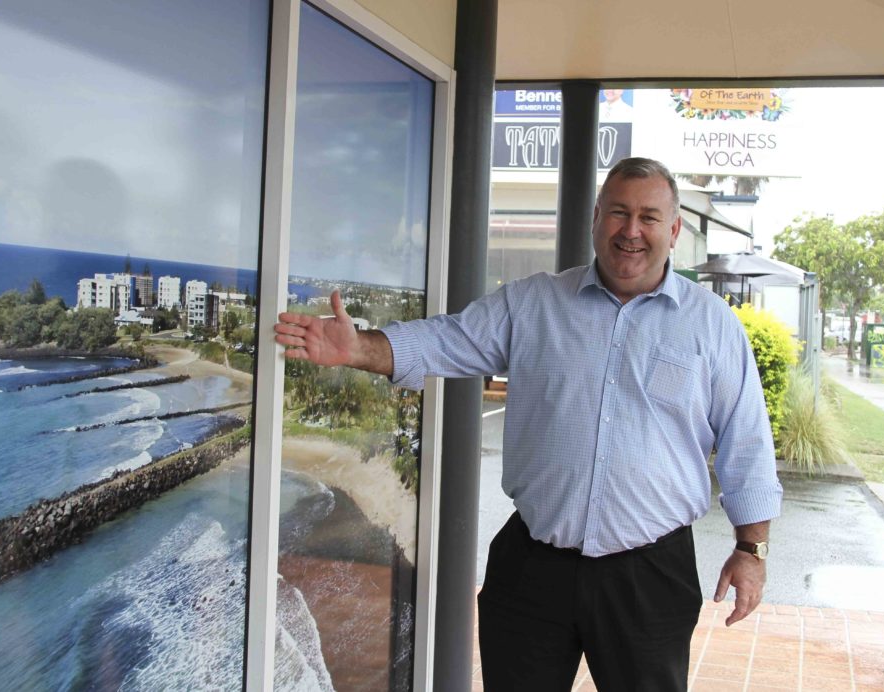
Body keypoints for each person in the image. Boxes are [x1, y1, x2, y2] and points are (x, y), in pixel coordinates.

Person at [274, 157, 782, 691]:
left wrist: (751, 551)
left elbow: (746, 442)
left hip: (649, 576)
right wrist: (359, 347)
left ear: (674, 229)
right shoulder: (534, 303)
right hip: (534, 571)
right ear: (595, 219)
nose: (632, 230)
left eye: (649, 217)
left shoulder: (713, 326)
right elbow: (445, 341)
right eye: (618, 212)